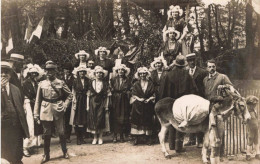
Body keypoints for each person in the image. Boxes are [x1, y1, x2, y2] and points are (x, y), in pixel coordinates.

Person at [34, 61, 72, 163]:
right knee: (47, 133)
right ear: (45, 71)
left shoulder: (60, 82)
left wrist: (65, 104)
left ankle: (65, 151)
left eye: (52, 70)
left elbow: (70, 95)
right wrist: (36, 114)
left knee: (61, 132)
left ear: (55, 71)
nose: (49, 72)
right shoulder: (42, 84)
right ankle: (46, 154)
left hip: (58, 109)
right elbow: (38, 100)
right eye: (47, 70)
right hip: (45, 110)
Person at [160, 55, 196, 152]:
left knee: (172, 121)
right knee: (180, 122)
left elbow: (163, 91)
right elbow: (193, 90)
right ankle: (178, 146)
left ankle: (171, 145)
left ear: (175, 64)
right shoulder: (187, 75)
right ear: (184, 65)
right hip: (183, 103)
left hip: (171, 102)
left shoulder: (168, 75)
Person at [203, 59, 233, 161]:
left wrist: (224, 86)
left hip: (219, 108)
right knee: (209, 130)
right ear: (207, 68)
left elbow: (231, 88)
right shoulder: (205, 80)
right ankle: (209, 153)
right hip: (208, 108)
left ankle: (220, 154)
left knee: (219, 131)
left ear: (216, 67)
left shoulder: (222, 77)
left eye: (213, 66)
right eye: (210, 67)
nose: (211, 68)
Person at [1, 61, 30, 164]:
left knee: (17, 154)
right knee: (4, 155)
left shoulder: (16, 89)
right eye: (1, 72)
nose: (4, 74)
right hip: (3, 129)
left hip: (16, 127)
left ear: (10, 74)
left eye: (6, 72)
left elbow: (21, 110)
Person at [184, 53, 207, 147]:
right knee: (190, 118)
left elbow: (205, 86)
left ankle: (200, 141)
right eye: (189, 61)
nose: (192, 62)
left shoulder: (202, 72)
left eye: (193, 60)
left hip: (199, 99)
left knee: (199, 118)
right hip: (189, 100)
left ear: (195, 61)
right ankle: (191, 139)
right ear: (187, 62)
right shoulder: (185, 72)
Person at [23, 64, 45, 157]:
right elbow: (25, 94)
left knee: (37, 123)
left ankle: (34, 144)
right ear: (29, 74)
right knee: (30, 124)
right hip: (28, 104)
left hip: (35, 104)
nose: (34, 75)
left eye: (35, 74)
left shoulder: (36, 83)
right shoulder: (25, 83)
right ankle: (25, 147)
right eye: (32, 74)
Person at [130, 67, 156, 146]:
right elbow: (133, 94)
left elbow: (153, 94)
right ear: (138, 75)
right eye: (140, 74)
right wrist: (139, 99)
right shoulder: (136, 84)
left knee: (148, 120)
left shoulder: (150, 83)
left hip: (148, 105)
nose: (142, 75)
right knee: (137, 120)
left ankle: (148, 138)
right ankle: (136, 138)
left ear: (146, 74)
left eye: (144, 73)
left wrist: (149, 99)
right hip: (138, 105)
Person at [87, 66, 111, 145]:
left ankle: (100, 137)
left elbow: (107, 95)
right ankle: (95, 137)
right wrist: (87, 105)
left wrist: (106, 105)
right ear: (95, 74)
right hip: (93, 102)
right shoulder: (91, 83)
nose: (99, 74)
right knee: (93, 119)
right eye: (97, 73)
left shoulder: (105, 83)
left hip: (102, 102)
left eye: (100, 73)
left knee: (101, 119)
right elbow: (88, 95)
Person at [110, 64, 131, 143]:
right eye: (119, 70)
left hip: (124, 99)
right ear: (117, 71)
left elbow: (130, 89)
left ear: (124, 71)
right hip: (115, 99)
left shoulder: (128, 80)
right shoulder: (113, 79)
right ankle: (115, 135)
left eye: (122, 70)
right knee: (115, 117)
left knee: (123, 117)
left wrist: (127, 93)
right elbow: (110, 89)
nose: (121, 71)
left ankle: (122, 135)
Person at [70, 66, 89, 145]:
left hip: (85, 99)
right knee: (77, 119)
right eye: (80, 71)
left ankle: (82, 137)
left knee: (84, 118)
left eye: (83, 72)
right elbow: (73, 91)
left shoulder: (88, 80)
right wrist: (74, 100)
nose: (82, 73)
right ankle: (78, 138)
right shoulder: (75, 81)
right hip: (78, 100)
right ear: (78, 73)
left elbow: (89, 90)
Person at [62, 62, 74, 143]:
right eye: (66, 70)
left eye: (69, 70)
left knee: (68, 119)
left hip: (70, 101)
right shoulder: (60, 78)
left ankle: (67, 136)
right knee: (61, 120)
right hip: (60, 100)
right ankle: (62, 136)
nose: (67, 71)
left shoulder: (74, 79)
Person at [245, 95, 260, 161]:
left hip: (256, 128)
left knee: (256, 140)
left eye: (255, 104)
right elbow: (245, 120)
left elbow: (256, 118)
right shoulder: (247, 111)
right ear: (250, 104)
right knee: (250, 140)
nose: (254, 106)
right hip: (250, 128)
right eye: (253, 104)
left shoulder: (254, 111)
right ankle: (248, 154)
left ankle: (258, 154)